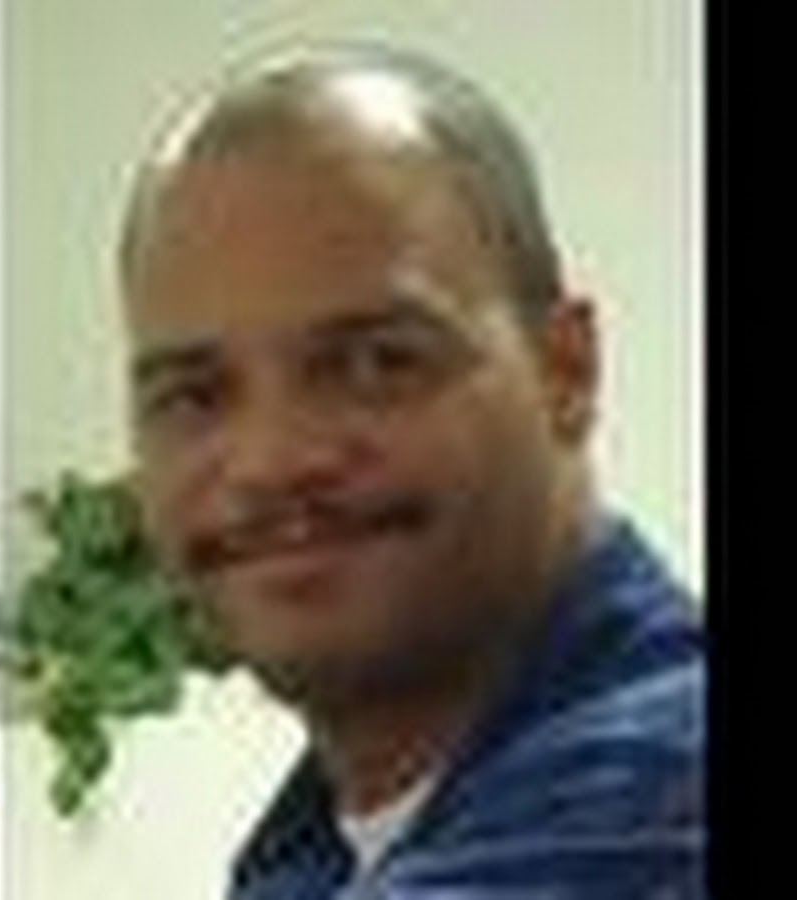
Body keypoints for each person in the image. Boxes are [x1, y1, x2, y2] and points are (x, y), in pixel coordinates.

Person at [119, 44, 704, 899]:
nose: (270, 460)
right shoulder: (316, 848)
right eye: (195, 395)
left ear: (566, 370)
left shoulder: (662, 810)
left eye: (375, 363)